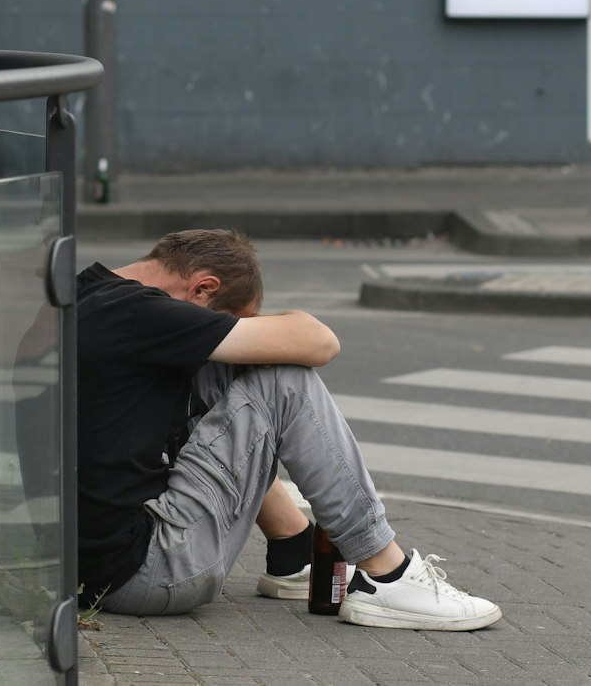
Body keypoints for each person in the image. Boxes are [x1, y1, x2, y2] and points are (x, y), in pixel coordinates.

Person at [77, 229, 501, 630]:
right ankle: (387, 575)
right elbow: (319, 342)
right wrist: (262, 333)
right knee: (283, 380)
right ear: (203, 288)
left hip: (79, 565)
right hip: (144, 572)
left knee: (217, 368)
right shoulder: (143, 315)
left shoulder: (83, 293)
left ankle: (294, 548)